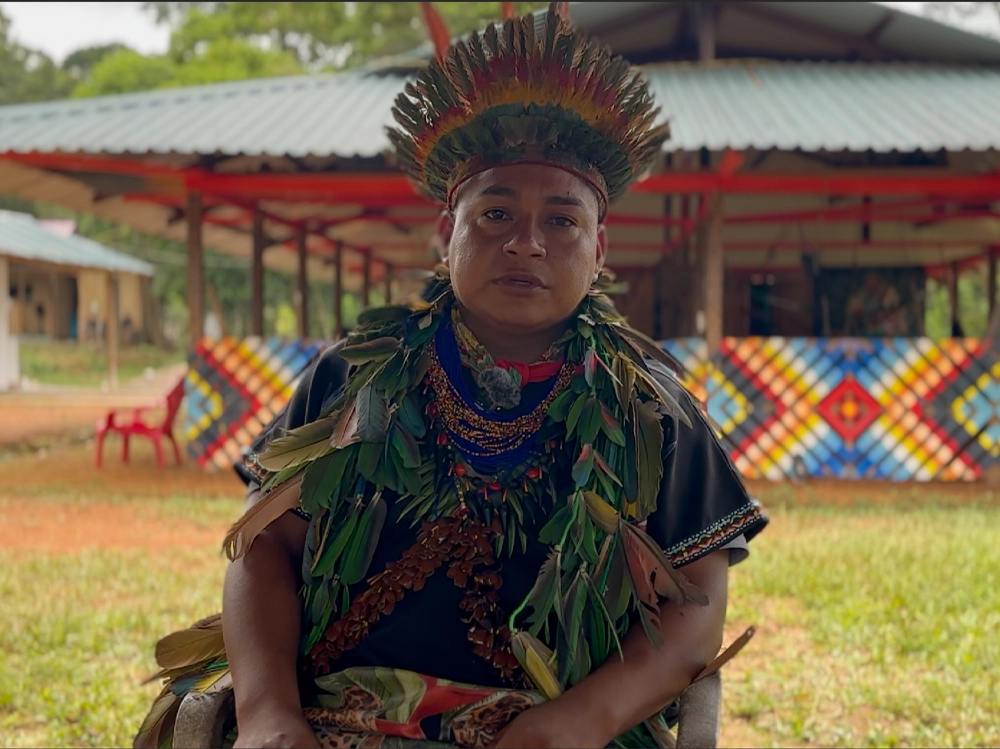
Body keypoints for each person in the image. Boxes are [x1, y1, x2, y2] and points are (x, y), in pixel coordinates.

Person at [136, 6, 767, 748]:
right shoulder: (352, 377)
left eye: (561, 221)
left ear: (600, 247)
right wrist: (270, 712)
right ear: (447, 234)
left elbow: (695, 609)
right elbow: (264, 548)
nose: (526, 243)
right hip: (336, 719)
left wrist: (574, 723)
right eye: (495, 212)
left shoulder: (655, 413)